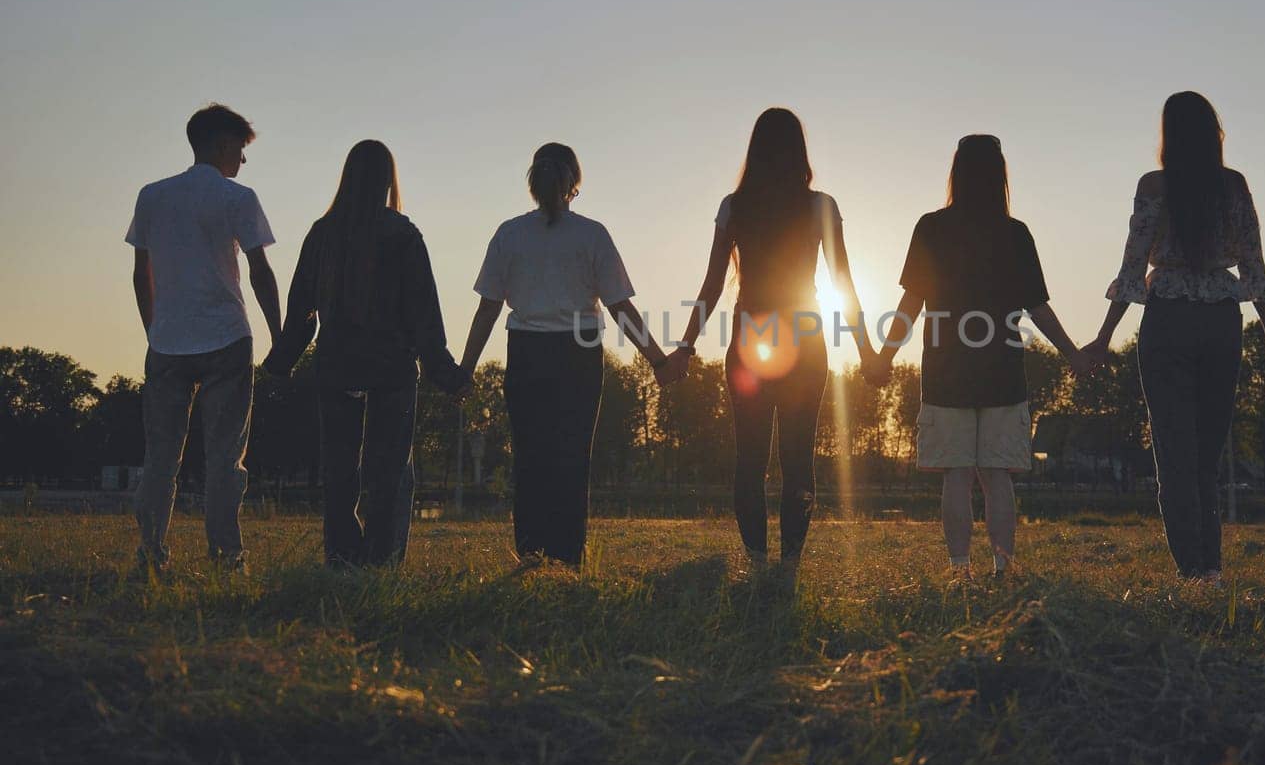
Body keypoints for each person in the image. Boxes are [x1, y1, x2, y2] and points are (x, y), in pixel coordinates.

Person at [1082, 91, 1265, 585]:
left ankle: (1193, 571)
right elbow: (1254, 265)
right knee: (1207, 452)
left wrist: (1104, 335)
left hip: (1169, 318)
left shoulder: (1154, 185)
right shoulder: (1234, 186)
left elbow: (1133, 264)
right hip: (1222, 319)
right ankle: (1211, 569)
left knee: (1174, 449)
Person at [864, 134, 1090, 580]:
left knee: (958, 475)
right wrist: (1072, 355)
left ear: (956, 173)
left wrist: (885, 357)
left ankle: (959, 569)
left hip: (947, 373)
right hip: (1002, 375)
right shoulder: (1015, 233)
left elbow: (911, 301)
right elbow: (1037, 307)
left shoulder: (931, 227)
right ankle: (1002, 570)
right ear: (1001, 175)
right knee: (997, 476)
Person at [667, 108, 874, 573]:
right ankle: (789, 568)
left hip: (750, 338)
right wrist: (866, 351)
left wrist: (685, 346)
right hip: (806, 336)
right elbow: (844, 281)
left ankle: (759, 563)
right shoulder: (822, 205)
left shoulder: (734, 206)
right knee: (798, 456)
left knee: (751, 457)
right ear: (800, 150)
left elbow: (712, 284)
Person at [458, 143, 675, 567]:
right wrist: (658, 360)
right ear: (574, 184)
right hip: (579, 352)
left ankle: (531, 553)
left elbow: (488, 308)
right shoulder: (592, 235)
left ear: (533, 184)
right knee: (572, 457)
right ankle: (568, 557)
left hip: (526, 352)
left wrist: (465, 369)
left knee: (531, 456)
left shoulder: (509, 234)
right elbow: (619, 307)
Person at [264, 140, 466, 567]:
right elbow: (424, 314)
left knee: (339, 471)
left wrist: (280, 364)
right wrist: (445, 372)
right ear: (388, 180)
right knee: (389, 471)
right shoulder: (403, 235)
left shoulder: (322, 234)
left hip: (336, 365)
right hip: (392, 367)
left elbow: (302, 311)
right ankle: (381, 562)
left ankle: (341, 559)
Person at [126, 103, 280, 575]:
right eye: (240, 149)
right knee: (224, 458)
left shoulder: (152, 196)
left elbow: (140, 274)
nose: (243, 160)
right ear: (221, 144)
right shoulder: (238, 198)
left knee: (161, 458)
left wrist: (155, 330)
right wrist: (280, 334)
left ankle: (151, 551)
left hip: (168, 341)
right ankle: (225, 556)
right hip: (226, 338)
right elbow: (259, 271)